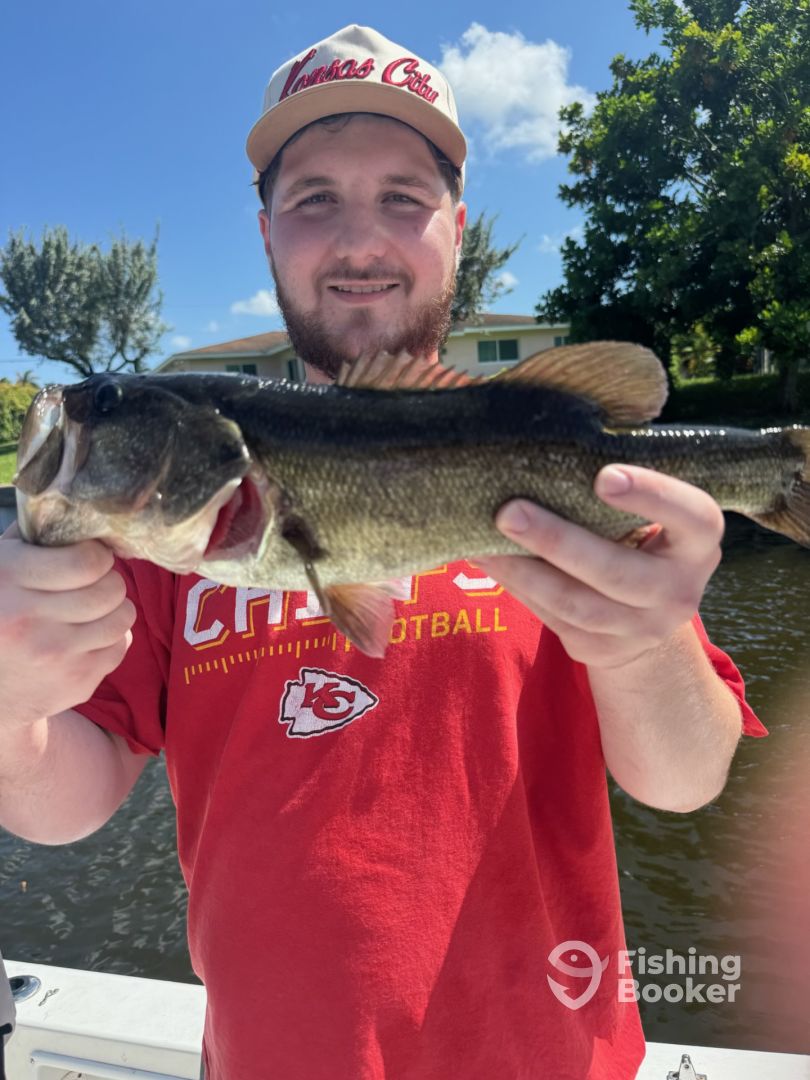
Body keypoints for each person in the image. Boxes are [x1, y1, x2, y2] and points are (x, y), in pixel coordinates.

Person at [0, 24, 766, 1080]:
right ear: (267, 234)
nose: (359, 241)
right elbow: (65, 806)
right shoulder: (155, 551)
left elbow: (686, 780)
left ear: (459, 228)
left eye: (403, 197)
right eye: (315, 199)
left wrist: (644, 644)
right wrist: (7, 706)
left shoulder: (595, 503)